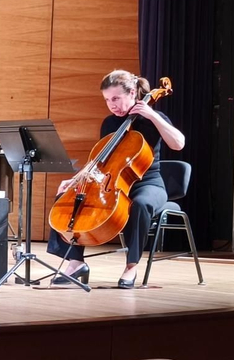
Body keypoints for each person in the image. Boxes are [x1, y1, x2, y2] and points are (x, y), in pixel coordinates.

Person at [48, 69, 185, 289]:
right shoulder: (109, 124)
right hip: (112, 184)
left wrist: (152, 115)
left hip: (148, 183)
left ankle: (131, 266)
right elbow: (100, 161)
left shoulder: (153, 119)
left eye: (115, 98)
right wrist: (75, 180)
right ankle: (75, 261)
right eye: (107, 100)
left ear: (132, 93)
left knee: (140, 204)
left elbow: (178, 143)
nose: (111, 105)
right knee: (68, 197)